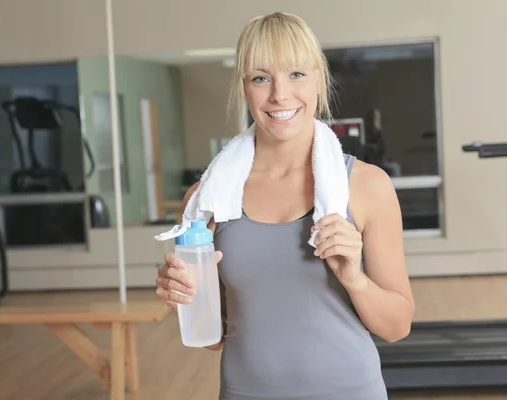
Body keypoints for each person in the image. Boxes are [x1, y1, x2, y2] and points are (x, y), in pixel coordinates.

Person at [156, 11, 415, 400]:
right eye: (261, 78)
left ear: (317, 80)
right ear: (244, 87)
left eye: (296, 74)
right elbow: (213, 339)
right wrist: (184, 300)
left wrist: (355, 280)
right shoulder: (208, 200)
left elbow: (396, 327)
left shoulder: (366, 186)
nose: (280, 95)